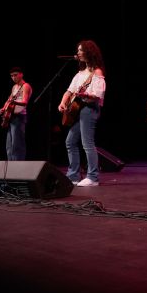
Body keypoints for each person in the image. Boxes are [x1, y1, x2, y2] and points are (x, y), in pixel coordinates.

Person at [58, 39, 106, 187]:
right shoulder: (80, 74)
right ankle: (73, 176)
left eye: (80, 50)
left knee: (87, 143)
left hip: (89, 109)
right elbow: (69, 91)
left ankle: (92, 177)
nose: (77, 52)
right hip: (78, 109)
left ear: (88, 52)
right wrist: (62, 102)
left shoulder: (96, 72)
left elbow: (97, 95)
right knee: (70, 142)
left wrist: (86, 96)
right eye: (78, 50)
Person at [0, 67, 32, 161]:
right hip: (11, 116)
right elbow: (9, 100)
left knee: (17, 144)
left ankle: (18, 166)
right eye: (11, 76)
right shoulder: (14, 87)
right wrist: (3, 108)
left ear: (21, 74)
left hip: (20, 116)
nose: (13, 77)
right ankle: (10, 165)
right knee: (9, 144)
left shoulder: (26, 86)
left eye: (15, 75)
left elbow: (25, 102)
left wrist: (15, 103)